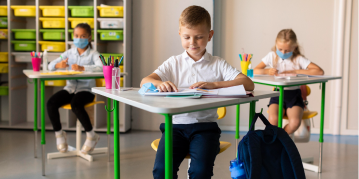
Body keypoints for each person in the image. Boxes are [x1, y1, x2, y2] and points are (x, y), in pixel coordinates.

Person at [140, 5, 254, 179]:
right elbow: (145, 81)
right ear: (180, 34)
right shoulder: (174, 63)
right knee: (161, 171)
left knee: (200, 172)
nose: (192, 43)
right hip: (174, 127)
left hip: (205, 128)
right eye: (187, 37)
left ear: (210, 35)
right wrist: (159, 83)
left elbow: (248, 84)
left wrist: (215, 84)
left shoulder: (217, 63)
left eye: (199, 37)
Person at [253, 29, 324, 134]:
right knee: (273, 121)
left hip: (294, 95)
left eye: (286, 50)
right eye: (280, 49)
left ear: (294, 47)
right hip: (277, 94)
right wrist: (267, 71)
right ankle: (278, 142)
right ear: (276, 44)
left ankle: (281, 139)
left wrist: (296, 70)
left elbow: (319, 71)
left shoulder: (298, 59)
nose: (283, 53)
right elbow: (255, 70)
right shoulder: (272, 56)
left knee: (295, 123)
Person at [47, 23, 102, 154]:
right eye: (76, 36)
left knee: (75, 104)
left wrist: (83, 68)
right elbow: (50, 66)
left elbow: (101, 67)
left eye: (83, 36)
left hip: (86, 90)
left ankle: (91, 135)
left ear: (89, 38)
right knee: (51, 103)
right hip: (70, 88)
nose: (79, 38)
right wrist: (58, 64)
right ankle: (59, 135)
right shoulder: (68, 53)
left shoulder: (94, 54)